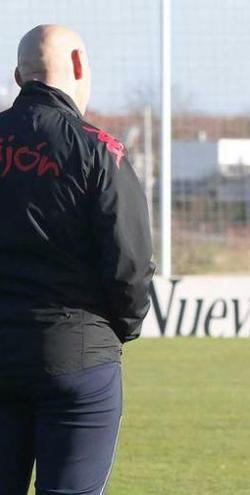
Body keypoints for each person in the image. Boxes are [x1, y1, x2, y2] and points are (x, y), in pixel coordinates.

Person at [0, 25, 154, 495]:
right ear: (81, 67)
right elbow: (130, 264)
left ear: (18, 76)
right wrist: (118, 330)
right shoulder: (99, 150)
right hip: (77, 357)